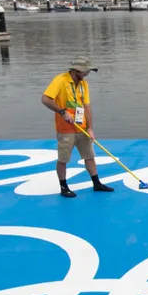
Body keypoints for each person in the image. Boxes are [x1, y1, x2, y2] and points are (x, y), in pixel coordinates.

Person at [41, 57, 114, 197]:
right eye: (86, 71)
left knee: (89, 156)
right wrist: (62, 112)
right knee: (63, 159)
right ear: (77, 70)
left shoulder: (83, 84)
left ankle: (96, 183)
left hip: (82, 127)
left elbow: (87, 107)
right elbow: (45, 99)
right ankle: (64, 187)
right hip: (66, 128)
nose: (87, 74)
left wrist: (90, 128)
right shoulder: (60, 80)